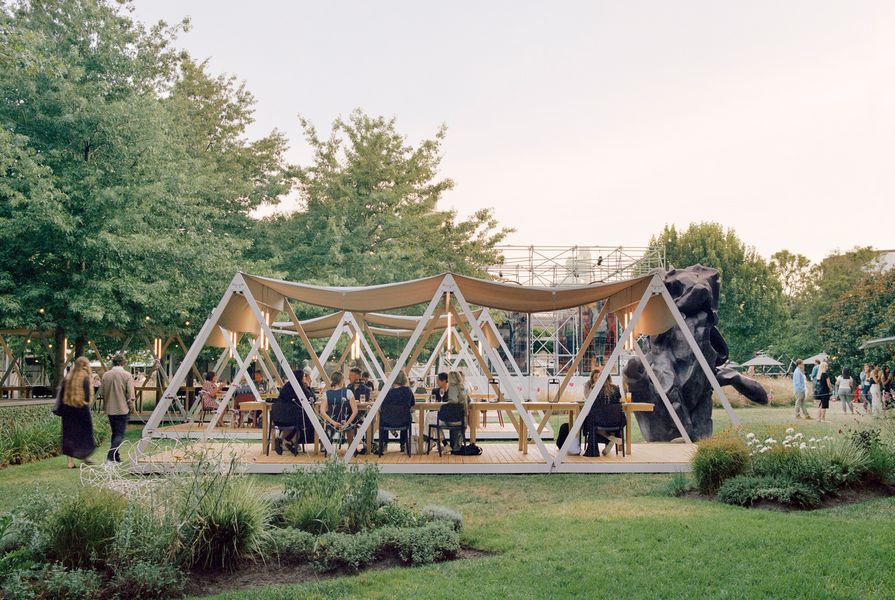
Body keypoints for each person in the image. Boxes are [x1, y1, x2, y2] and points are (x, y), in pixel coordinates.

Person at [58, 356, 97, 468]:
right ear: (86, 365)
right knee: (85, 434)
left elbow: (61, 395)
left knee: (69, 435)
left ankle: (70, 462)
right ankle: (85, 455)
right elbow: (87, 396)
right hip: (81, 409)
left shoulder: (68, 378)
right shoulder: (85, 378)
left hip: (68, 409)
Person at [271, 369, 317, 455]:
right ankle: (292, 442)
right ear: (300, 378)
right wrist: (308, 387)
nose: (304, 378)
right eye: (304, 377)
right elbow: (312, 399)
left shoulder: (287, 386)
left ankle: (281, 439)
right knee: (307, 421)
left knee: (296, 422)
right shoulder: (299, 387)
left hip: (278, 418)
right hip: (291, 417)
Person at [100, 353, 136, 463]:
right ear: (123, 362)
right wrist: (132, 406)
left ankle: (116, 457)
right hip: (122, 408)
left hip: (110, 409)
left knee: (115, 433)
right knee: (119, 434)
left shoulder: (106, 375)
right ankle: (110, 457)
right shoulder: (127, 375)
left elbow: (102, 392)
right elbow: (131, 394)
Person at [583, 366, 624, 456]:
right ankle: (611, 438)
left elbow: (591, 402)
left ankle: (608, 438)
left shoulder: (596, 388)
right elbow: (619, 402)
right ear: (610, 378)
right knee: (595, 422)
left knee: (589, 422)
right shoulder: (616, 388)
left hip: (600, 420)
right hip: (616, 421)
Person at [379, 371, 415, 453]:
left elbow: (381, 407)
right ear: (404, 379)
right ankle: (403, 443)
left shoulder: (386, 392)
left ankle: (384, 442)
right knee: (405, 415)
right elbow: (412, 405)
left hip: (387, 421)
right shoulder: (408, 391)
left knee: (382, 415)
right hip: (403, 421)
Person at [320, 371, 358, 446]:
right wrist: (347, 424)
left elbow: (322, 411)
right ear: (341, 380)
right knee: (352, 422)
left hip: (331, 423)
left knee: (327, 424)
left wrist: (333, 423)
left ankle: (326, 447)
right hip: (346, 422)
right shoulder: (348, 392)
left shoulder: (326, 394)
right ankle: (351, 447)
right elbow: (355, 411)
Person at [442, 371, 469, 452]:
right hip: (463, 420)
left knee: (432, 419)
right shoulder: (463, 388)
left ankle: (444, 444)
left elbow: (453, 402)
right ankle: (454, 447)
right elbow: (467, 400)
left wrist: (445, 406)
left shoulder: (452, 387)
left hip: (453, 420)